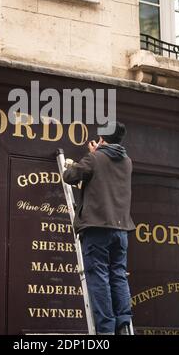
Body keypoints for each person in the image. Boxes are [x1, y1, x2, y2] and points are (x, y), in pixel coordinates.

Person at [63, 121, 135, 335]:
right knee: (118, 275)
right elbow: (108, 168)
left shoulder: (95, 158)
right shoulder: (127, 161)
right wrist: (99, 153)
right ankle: (123, 323)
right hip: (121, 230)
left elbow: (70, 176)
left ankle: (105, 330)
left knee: (99, 276)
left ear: (102, 138)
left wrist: (94, 154)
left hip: (97, 229)